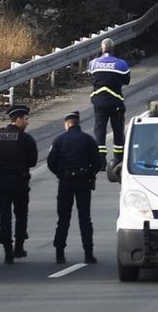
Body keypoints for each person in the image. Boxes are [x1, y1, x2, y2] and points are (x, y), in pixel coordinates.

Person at [47, 110, 104, 264]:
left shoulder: (59, 140)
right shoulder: (88, 140)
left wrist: (60, 174)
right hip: (83, 183)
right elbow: (98, 163)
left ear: (67, 124)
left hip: (65, 183)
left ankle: (59, 253)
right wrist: (89, 174)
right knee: (85, 218)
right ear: (78, 124)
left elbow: (51, 162)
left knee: (63, 219)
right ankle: (88, 254)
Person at [0, 104, 38, 264]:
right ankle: (19, 247)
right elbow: (32, 162)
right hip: (19, 182)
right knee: (21, 215)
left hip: (1, 181)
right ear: (18, 119)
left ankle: (7, 251)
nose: (27, 122)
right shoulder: (26, 139)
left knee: (4, 217)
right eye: (25, 119)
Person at [89, 38, 130, 168]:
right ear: (113, 49)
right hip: (115, 102)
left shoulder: (93, 63)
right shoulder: (121, 64)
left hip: (99, 102)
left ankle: (101, 161)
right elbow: (126, 80)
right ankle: (119, 159)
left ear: (102, 49)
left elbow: (92, 77)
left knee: (99, 131)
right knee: (118, 130)